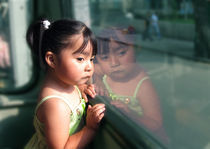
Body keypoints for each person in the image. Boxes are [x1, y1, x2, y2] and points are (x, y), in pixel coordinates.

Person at [24, 19, 106, 149]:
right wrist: (90, 129)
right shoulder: (56, 105)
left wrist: (82, 88)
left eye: (91, 59)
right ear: (52, 59)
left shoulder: (67, 83)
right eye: (81, 59)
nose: (90, 67)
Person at [94, 27, 168, 144]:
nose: (114, 63)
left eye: (121, 53)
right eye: (104, 57)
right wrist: (98, 81)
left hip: (145, 140)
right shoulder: (106, 71)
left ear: (136, 49)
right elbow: (91, 70)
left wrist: (130, 115)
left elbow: (156, 123)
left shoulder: (142, 85)